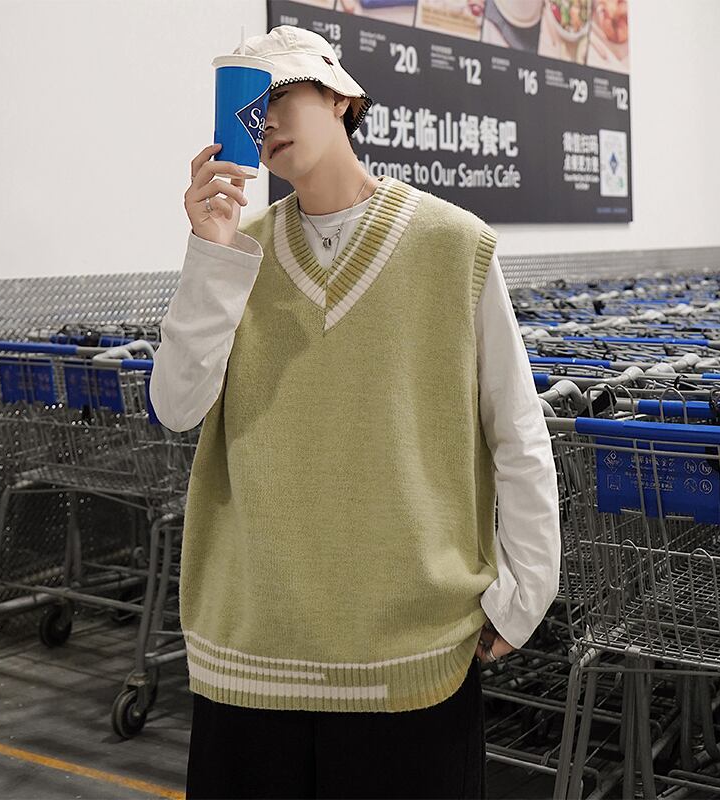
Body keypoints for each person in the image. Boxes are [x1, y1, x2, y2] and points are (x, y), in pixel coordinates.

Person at [150, 24, 560, 800]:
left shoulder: (454, 244)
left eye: (283, 94)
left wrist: (524, 595)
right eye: (251, 106)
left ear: (341, 97)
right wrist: (212, 252)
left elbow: (515, 430)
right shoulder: (237, 251)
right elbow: (175, 407)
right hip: (253, 643)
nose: (267, 120)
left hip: (409, 651)